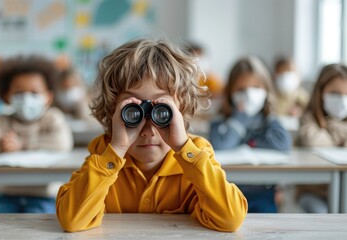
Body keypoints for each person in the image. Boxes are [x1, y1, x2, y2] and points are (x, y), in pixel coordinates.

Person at [56, 39, 247, 232]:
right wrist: (117, 150)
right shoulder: (105, 153)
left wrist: (182, 147)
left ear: (182, 109)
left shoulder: (196, 154)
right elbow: (73, 220)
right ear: (113, 111)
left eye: (162, 111)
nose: (148, 129)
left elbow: (230, 219)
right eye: (132, 111)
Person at [0, 55, 73, 213]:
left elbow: (62, 143)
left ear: (48, 97)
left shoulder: (52, 117)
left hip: (44, 196)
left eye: (34, 92)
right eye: (19, 93)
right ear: (7, 96)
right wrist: (0, 144)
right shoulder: (3, 120)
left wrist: (22, 144)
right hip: (7, 196)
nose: (26, 98)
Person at [209, 56, 292, 213]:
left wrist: (248, 142)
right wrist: (240, 120)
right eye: (241, 89)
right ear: (230, 92)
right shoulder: (219, 122)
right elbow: (220, 146)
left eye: (256, 87)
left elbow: (283, 144)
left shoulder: (269, 120)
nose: (249, 94)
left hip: (263, 192)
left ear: (266, 91)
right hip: (228, 193)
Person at [297, 63, 347, 213]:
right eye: (335, 93)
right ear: (320, 93)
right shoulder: (308, 118)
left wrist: (330, 129)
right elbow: (313, 141)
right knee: (320, 213)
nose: (342, 100)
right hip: (314, 191)